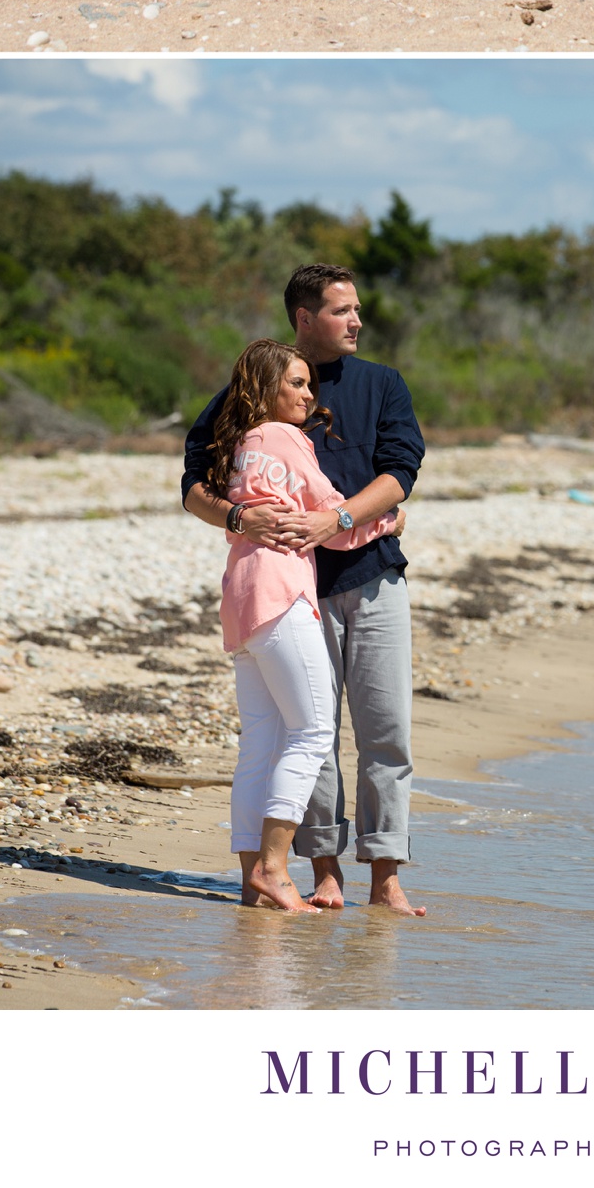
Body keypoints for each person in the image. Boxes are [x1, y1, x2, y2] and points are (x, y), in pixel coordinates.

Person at [183, 264, 427, 916]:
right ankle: (322, 873)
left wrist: (349, 516)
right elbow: (194, 482)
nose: (356, 320)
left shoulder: (382, 383)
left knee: (385, 732)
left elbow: (402, 468)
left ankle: (385, 877)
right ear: (304, 316)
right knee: (310, 732)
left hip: (372, 578)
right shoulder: (266, 387)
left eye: (356, 308)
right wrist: (238, 517)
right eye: (343, 309)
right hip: (294, 589)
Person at [210, 339, 398, 912]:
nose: (308, 394)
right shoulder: (287, 439)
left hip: (241, 595)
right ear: (266, 388)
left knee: (260, 744)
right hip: (280, 593)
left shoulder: (239, 445)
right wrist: (384, 522)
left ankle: (251, 882)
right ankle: (274, 866)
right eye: (296, 383)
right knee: (314, 731)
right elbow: (329, 516)